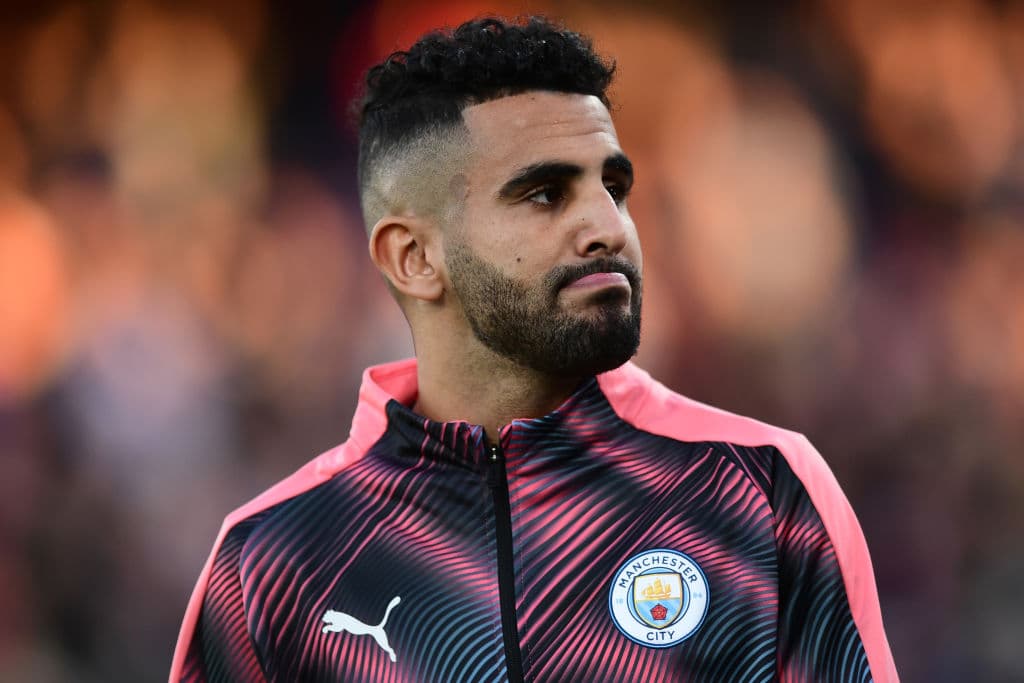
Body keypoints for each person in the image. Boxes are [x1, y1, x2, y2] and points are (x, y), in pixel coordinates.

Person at [170, 16, 898, 683]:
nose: (607, 227)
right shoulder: (273, 562)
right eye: (545, 193)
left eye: (612, 187)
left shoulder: (762, 491)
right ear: (414, 258)